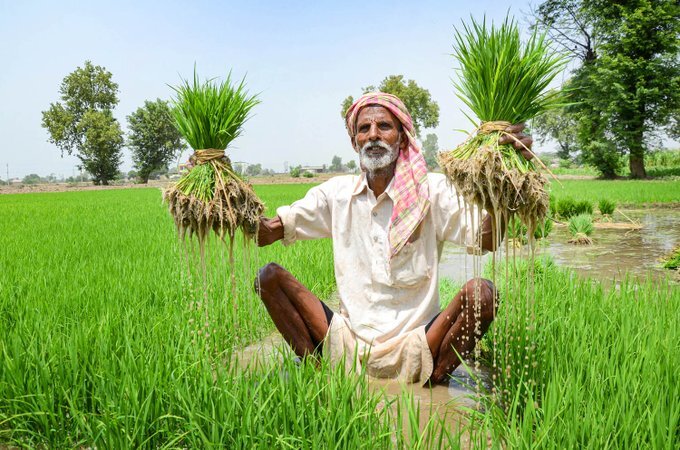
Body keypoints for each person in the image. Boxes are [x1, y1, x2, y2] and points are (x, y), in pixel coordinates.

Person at [255, 93, 533, 385]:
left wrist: (507, 178)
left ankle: (433, 384)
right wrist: (221, 197)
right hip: (348, 340)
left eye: (384, 126)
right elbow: (267, 233)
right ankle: (319, 377)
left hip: (419, 344)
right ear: (355, 142)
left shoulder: (431, 192)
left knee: (483, 293)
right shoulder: (335, 195)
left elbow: (485, 240)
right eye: (364, 129)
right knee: (268, 277)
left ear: (402, 138)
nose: (373, 135)